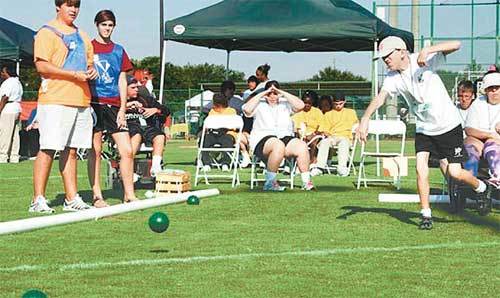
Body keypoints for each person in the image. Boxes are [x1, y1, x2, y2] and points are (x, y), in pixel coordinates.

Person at [356, 36, 489, 230]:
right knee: (420, 167)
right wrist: (365, 118)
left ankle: (482, 187)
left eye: (387, 55)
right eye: (382, 57)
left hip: (448, 126)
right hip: (424, 129)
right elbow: (380, 98)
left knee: (455, 172)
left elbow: (457, 45)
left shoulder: (422, 59)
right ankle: (425, 214)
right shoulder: (392, 78)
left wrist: (429, 50)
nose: (385, 60)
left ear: (401, 52)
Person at [29, 0, 98, 213]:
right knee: (49, 147)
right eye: (69, 5)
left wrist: (92, 70)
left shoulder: (84, 36)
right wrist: (72, 74)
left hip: (80, 99)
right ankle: (38, 199)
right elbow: (41, 65)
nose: (74, 10)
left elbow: (89, 64)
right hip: (55, 99)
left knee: (72, 149)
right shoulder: (46, 32)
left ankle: (71, 198)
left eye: (77, 5)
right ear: (58, 6)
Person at [88, 9, 137, 207]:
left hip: (115, 105)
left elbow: (122, 80)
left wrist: (123, 109)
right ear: (97, 25)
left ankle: (129, 194)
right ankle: (97, 196)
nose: (107, 29)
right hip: (93, 104)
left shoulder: (119, 50)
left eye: (110, 26)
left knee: (126, 150)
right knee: (96, 151)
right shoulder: (88, 47)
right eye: (103, 25)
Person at [242, 80, 314, 191]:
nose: (272, 96)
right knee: (278, 145)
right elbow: (246, 109)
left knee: (301, 146)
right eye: (269, 93)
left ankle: (306, 182)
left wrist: (281, 92)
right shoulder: (259, 104)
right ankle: (270, 183)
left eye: (274, 93)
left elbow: (301, 105)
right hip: (263, 139)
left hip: (284, 137)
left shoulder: (285, 103)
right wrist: (263, 93)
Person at [463, 71, 500, 188]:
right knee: (470, 144)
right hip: (478, 140)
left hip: (496, 143)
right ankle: (470, 181)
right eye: (491, 88)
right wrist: (489, 135)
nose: (494, 91)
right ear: (486, 90)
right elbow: (469, 130)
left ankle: (497, 178)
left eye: (497, 88)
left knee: (491, 144)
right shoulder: (478, 103)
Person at [126, 76, 169, 176]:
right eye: (133, 88)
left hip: (146, 127)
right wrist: (128, 105)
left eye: (137, 87)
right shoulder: (119, 100)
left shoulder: (144, 99)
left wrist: (155, 110)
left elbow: (165, 110)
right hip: (131, 126)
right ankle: (129, 169)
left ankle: (155, 166)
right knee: (136, 136)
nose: (137, 90)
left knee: (160, 136)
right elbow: (112, 110)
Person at [314, 92, 358, 177]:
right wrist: (326, 133)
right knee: (324, 142)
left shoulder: (351, 112)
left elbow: (356, 125)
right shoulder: (328, 114)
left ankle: (342, 168)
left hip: (346, 137)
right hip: (332, 137)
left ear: (344, 102)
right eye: (336, 104)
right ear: (333, 103)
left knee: (344, 142)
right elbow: (324, 129)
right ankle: (320, 167)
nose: (338, 106)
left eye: (340, 104)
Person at [200, 93, 238, 171]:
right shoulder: (212, 111)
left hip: (227, 132)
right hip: (214, 133)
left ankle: (225, 163)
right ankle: (206, 164)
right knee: (204, 140)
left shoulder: (231, 111)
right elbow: (209, 124)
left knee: (227, 141)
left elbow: (232, 125)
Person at [292, 91, 324, 167]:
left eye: (309, 103)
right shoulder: (298, 112)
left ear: (312, 103)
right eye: (305, 103)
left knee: (313, 141)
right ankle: (294, 163)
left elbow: (321, 126)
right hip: (301, 134)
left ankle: (311, 162)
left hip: (314, 134)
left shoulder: (317, 112)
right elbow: (296, 126)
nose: (307, 105)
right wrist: (302, 135)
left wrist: (314, 134)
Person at [0, 65, 23, 163]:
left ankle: (3, 156)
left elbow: (5, 97)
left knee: (5, 133)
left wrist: (0, 109)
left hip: (8, 109)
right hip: (17, 108)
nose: (2, 74)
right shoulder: (18, 82)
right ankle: (14, 156)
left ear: (7, 73)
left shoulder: (8, 82)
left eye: (3, 72)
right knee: (15, 134)